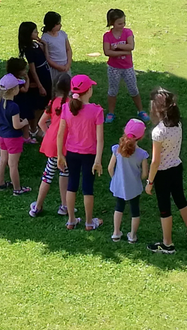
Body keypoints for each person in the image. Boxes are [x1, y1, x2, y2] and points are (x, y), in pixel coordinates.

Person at [145, 87, 187, 252]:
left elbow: (155, 161)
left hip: (162, 174)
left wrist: (149, 182)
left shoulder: (158, 132)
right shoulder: (177, 124)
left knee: (164, 208)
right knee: (181, 200)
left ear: (157, 109)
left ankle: (167, 244)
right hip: (176, 168)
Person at [57, 74, 105, 231]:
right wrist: (98, 160)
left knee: (72, 184)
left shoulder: (66, 108)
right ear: (89, 90)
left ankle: (71, 220)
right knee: (87, 187)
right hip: (89, 155)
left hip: (71, 153)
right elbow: (100, 139)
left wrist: (60, 154)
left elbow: (60, 134)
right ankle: (89, 222)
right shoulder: (97, 111)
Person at [28, 74, 73, 218]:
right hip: (65, 144)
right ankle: (62, 205)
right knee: (63, 173)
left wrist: (49, 135)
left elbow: (41, 122)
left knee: (49, 174)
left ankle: (38, 206)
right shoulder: (71, 104)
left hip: (52, 143)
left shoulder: (53, 102)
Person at [109, 118, 149, 243]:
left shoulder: (117, 149)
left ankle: (116, 233)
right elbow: (145, 174)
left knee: (119, 207)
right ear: (141, 137)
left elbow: (110, 168)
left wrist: (116, 179)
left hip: (119, 185)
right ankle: (132, 235)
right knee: (135, 210)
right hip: (134, 186)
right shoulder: (142, 154)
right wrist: (138, 179)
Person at [102, 7, 144, 124]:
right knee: (112, 90)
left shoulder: (128, 32)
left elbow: (131, 46)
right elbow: (107, 52)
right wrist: (123, 52)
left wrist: (116, 47)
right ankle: (111, 112)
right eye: (119, 23)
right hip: (113, 68)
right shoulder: (107, 36)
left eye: (124, 22)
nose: (123, 25)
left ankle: (141, 110)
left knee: (133, 89)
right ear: (112, 23)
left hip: (127, 67)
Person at [0, 74, 31, 194]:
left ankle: (1, 184)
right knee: (13, 164)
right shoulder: (14, 107)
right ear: (14, 90)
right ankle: (17, 189)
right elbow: (16, 126)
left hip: (2, 135)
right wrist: (24, 122)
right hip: (13, 138)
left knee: (2, 160)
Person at [17, 21, 50, 134]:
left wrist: (44, 45)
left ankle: (39, 124)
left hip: (45, 73)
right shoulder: (29, 50)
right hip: (39, 76)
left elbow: (45, 56)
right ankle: (34, 127)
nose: (37, 33)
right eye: (35, 31)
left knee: (45, 102)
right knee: (38, 104)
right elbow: (32, 69)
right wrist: (39, 85)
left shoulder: (36, 45)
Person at [40, 11, 72, 84]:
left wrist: (68, 64)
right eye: (58, 24)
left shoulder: (62, 34)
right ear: (52, 25)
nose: (60, 25)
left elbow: (68, 49)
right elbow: (46, 56)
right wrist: (57, 67)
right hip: (54, 68)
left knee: (67, 85)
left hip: (65, 66)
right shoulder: (45, 38)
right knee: (56, 86)